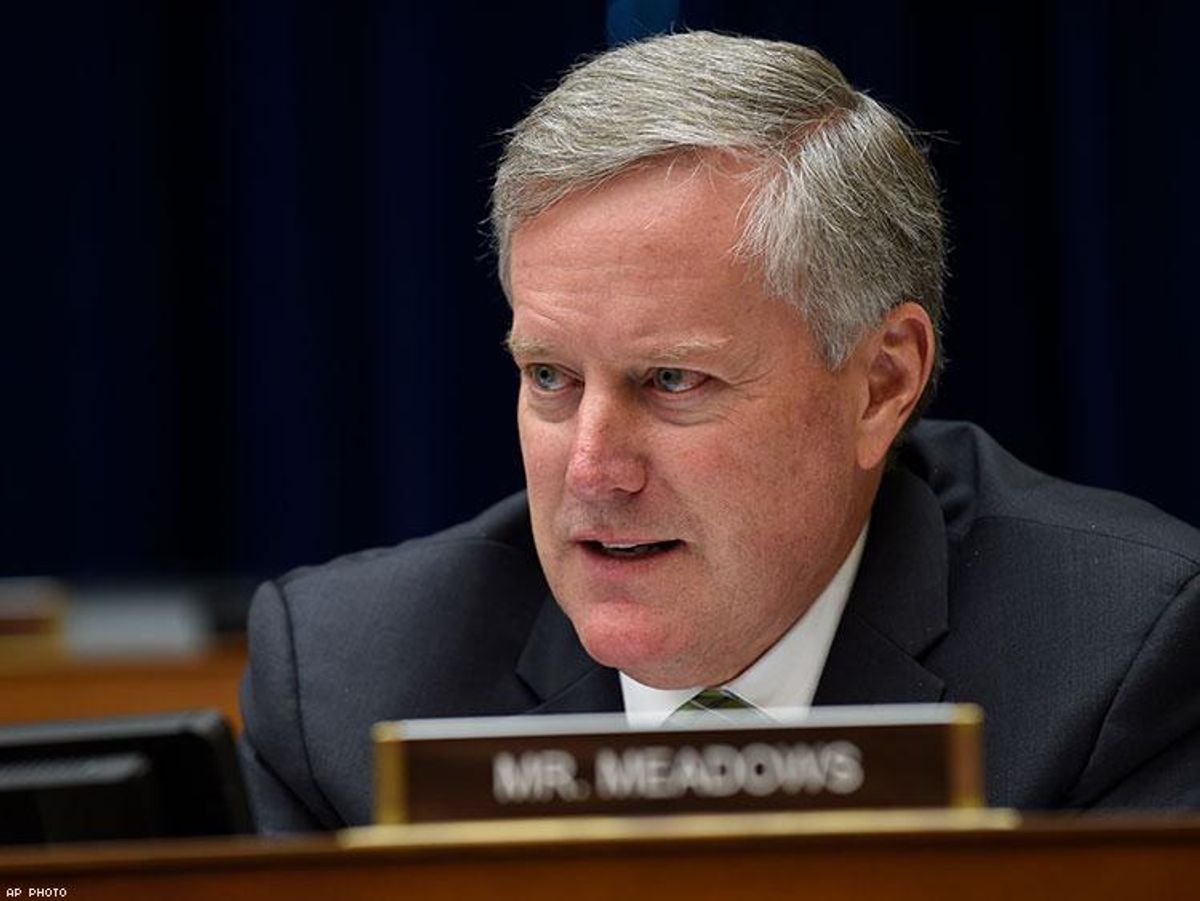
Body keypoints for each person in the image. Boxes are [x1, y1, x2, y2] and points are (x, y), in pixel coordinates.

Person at [239, 32, 1200, 832]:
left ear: (881, 383)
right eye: (550, 377)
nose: (594, 470)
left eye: (672, 380)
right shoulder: (344, 687)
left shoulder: (1118, 662)